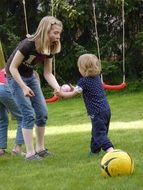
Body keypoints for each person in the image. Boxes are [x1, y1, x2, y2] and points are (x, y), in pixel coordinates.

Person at [6, 16, 63, 160]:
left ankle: (40, 149)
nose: (58, 36)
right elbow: (12, 67)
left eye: (59, 33)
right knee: (28, 114)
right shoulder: (28, 44)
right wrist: (24, 87)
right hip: (15, 77)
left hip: (31, 77)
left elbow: (48, 73)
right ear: (45, 30)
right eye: (55, 33)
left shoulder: (50, 47)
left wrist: (58, 88)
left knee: (42, 113)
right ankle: (30, 154)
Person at [56, 54, 114, 155]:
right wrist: (75, 88)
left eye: (79, 67)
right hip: (106, 110)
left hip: (96, 112)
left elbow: (72, 94)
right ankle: (94, 151)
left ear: (84, 69)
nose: (78, 69)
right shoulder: (97, 78)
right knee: (97, 132)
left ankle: (110, 150)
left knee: (99, 134)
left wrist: (61, 94)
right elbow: (82, 90)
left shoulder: (83, 81)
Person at [0, 68, 24, 156]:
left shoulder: (6, 67)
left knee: (2, 120)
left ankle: (1, 149)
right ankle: (17, 148)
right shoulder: (19, 67)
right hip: (5, 88)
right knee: (23, 117)